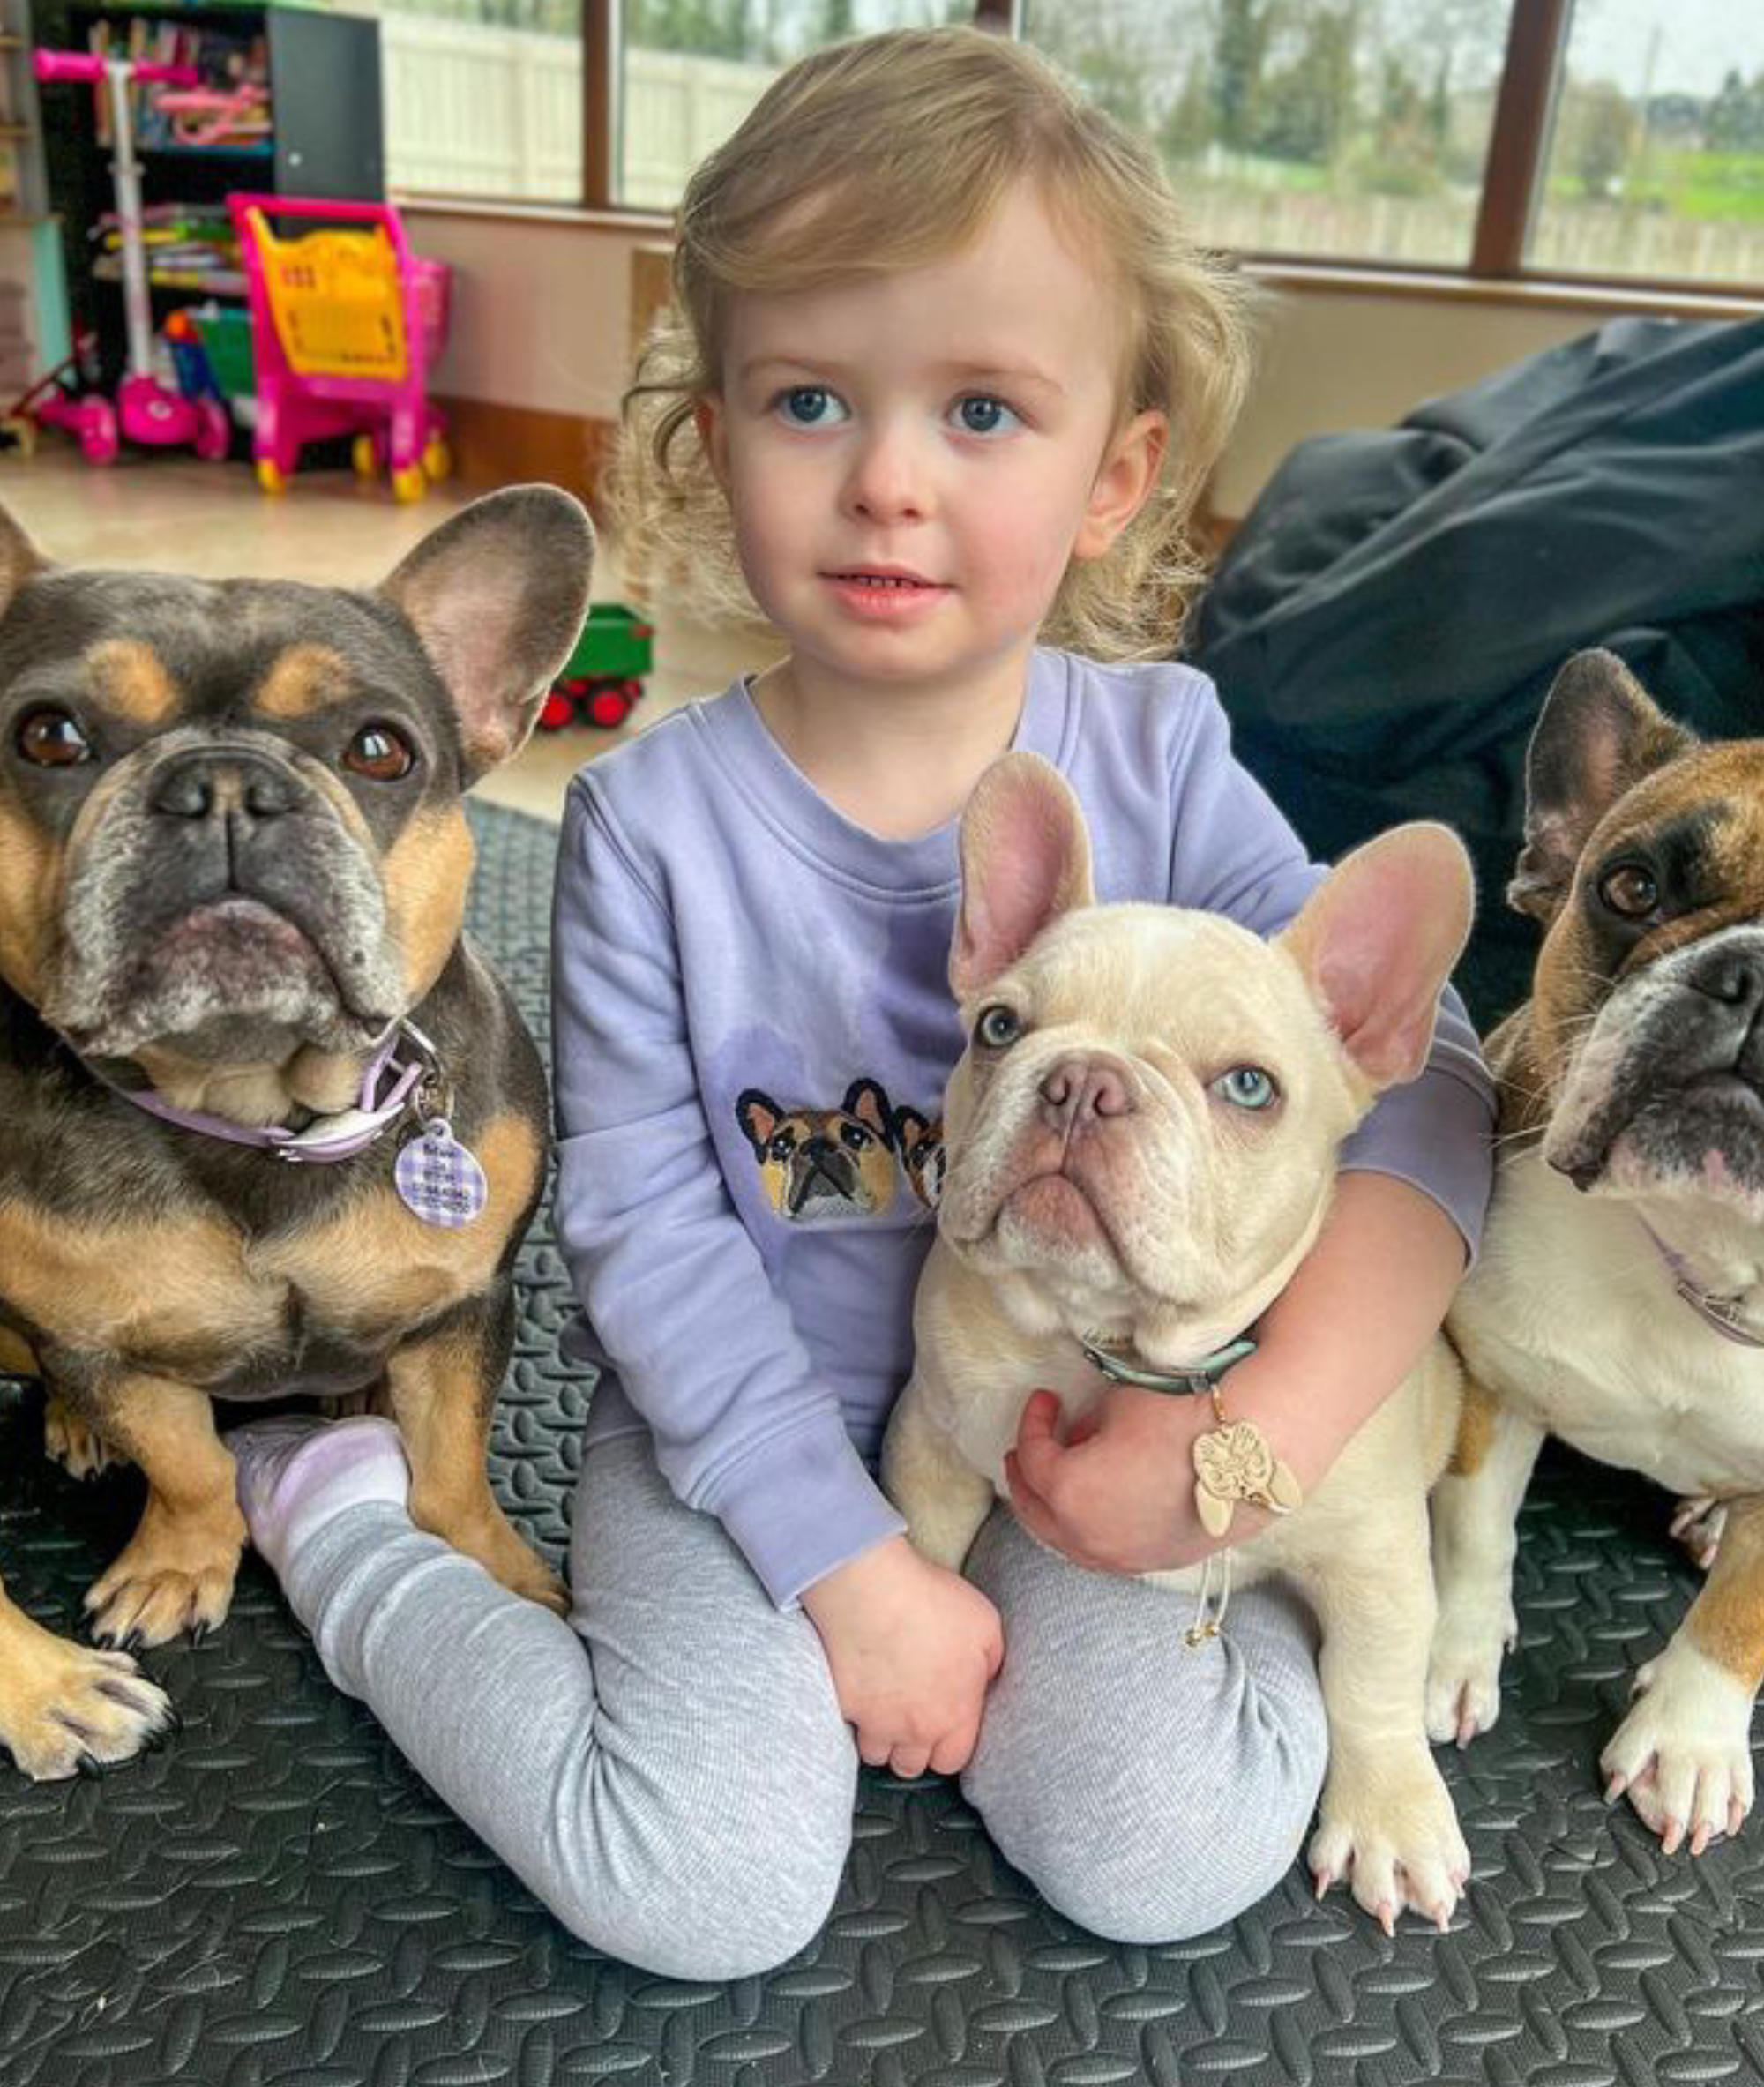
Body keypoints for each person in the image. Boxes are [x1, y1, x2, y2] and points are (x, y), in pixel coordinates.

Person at [228, 25, 1495, 1975]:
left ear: (1117, 473)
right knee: (705, 1893)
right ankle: (344, 1533)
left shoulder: (1160, 755)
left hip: (1091, 1409)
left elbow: (1425, 1093)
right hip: (758, 1427)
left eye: (983, 411)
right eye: (811, 397)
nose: (889, 480)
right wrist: (844, 1567)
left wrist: (1244, 1446)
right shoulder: (646, 826)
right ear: (708, 440)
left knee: (1163, 1859)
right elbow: (644, 1229)